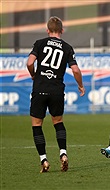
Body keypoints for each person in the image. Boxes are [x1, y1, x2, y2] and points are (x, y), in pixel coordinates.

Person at [26, 16, 85, 173]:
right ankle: (63, 154)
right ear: (62, 31)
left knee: (37, 124)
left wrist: (33, 74)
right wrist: (80, 85)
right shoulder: (67, 47)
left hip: (39, 88)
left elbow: (30, 62)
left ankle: (44, 160)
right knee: (58, 122)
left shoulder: (39, 43)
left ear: (47, 30)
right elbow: (76, 70)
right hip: (57, 90)